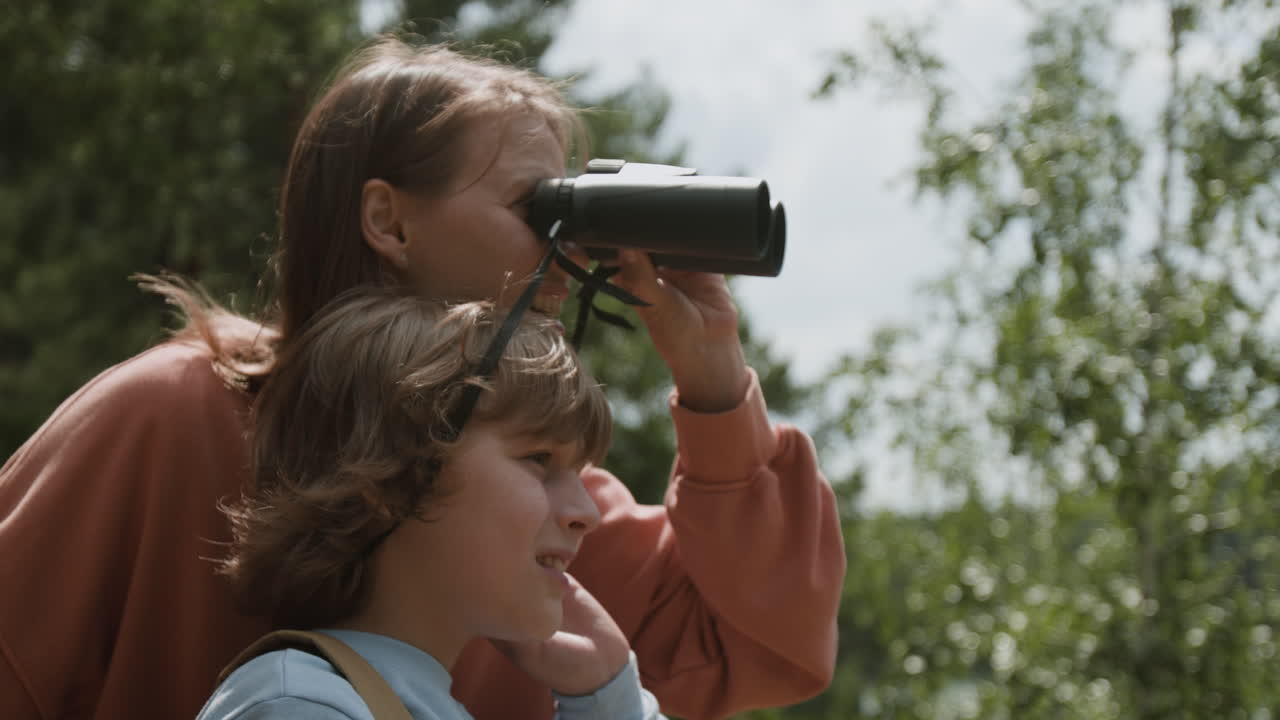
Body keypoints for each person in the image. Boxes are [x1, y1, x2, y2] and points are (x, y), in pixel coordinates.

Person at [0, 36, 845, 720]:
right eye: (537, 212)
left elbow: (765, 647)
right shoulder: (168, 420)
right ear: (387, 221)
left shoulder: (524, 500)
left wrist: (714, 379)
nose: (566, 260)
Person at [195, 286, 662, 720]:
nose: (588, 512)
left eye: (580, 472)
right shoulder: (303, 707)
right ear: (388, 480)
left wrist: (605, 692)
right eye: (540, 459)